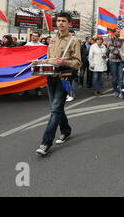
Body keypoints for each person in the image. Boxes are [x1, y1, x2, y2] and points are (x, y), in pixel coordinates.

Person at [34, 12, 81, 156]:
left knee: (55, 109)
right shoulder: (52, 40)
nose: (60, 23)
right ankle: (66, 130)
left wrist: (65, 62)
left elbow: (78, 63)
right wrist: (38, 62)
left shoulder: (74, 41)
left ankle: (45, 143)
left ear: (69, 23)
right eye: (58, 20)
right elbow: (50, 59)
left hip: (65, 77)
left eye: (63, 21)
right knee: (56, 107)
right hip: (51, 77)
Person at [107, 29, 124, 98]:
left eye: (119, 32)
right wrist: (121, 52)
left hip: (120, 61)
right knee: (114, 77)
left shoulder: (121, 40)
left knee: (121, 77)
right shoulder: (110, 40)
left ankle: (121, 91)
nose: (119, 33)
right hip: (113, 61)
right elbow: (112, 49)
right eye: (118, 32)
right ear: (114, 33)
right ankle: (115, 91)